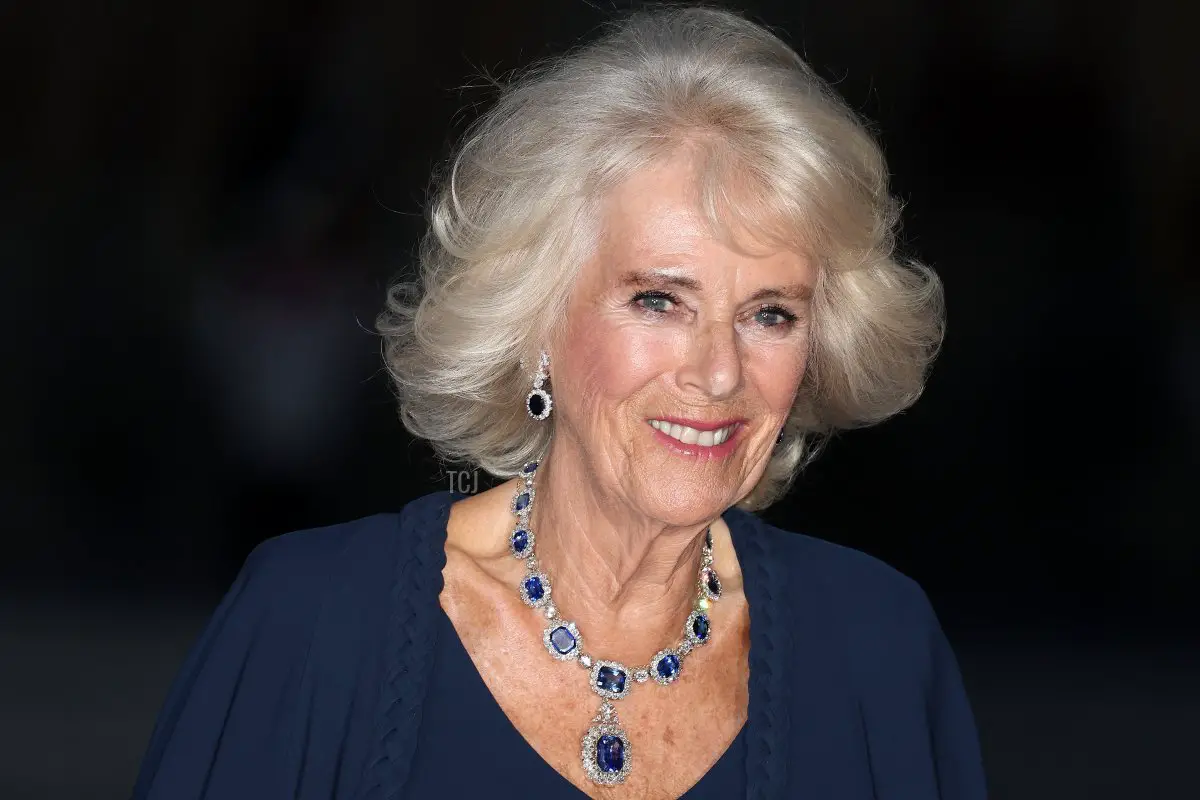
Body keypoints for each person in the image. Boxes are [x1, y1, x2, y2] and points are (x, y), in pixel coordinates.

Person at [132, 6, 986, 798]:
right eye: (659, 300)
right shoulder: (311, 624)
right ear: (535, 317)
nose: (720, 372)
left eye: (770, 314)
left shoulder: (880, 650)